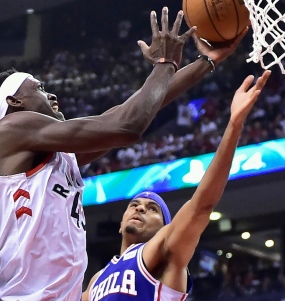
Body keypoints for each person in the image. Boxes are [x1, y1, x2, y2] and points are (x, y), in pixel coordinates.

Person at [0, 7, 247, 301]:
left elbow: (130, 112)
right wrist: (164, 62)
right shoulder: (12, 128)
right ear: (14, 101)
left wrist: (206, 62)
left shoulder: (47, 154)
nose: (51, 95)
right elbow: (127, 126)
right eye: (40, 88)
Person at [83, 70, 271, 301]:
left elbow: (202, 205)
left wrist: (233, 126)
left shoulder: (162, 250)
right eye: (135, 204)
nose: (140, 208)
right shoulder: (96, 280)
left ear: (166, 228)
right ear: (120, 224)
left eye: (152, 209)